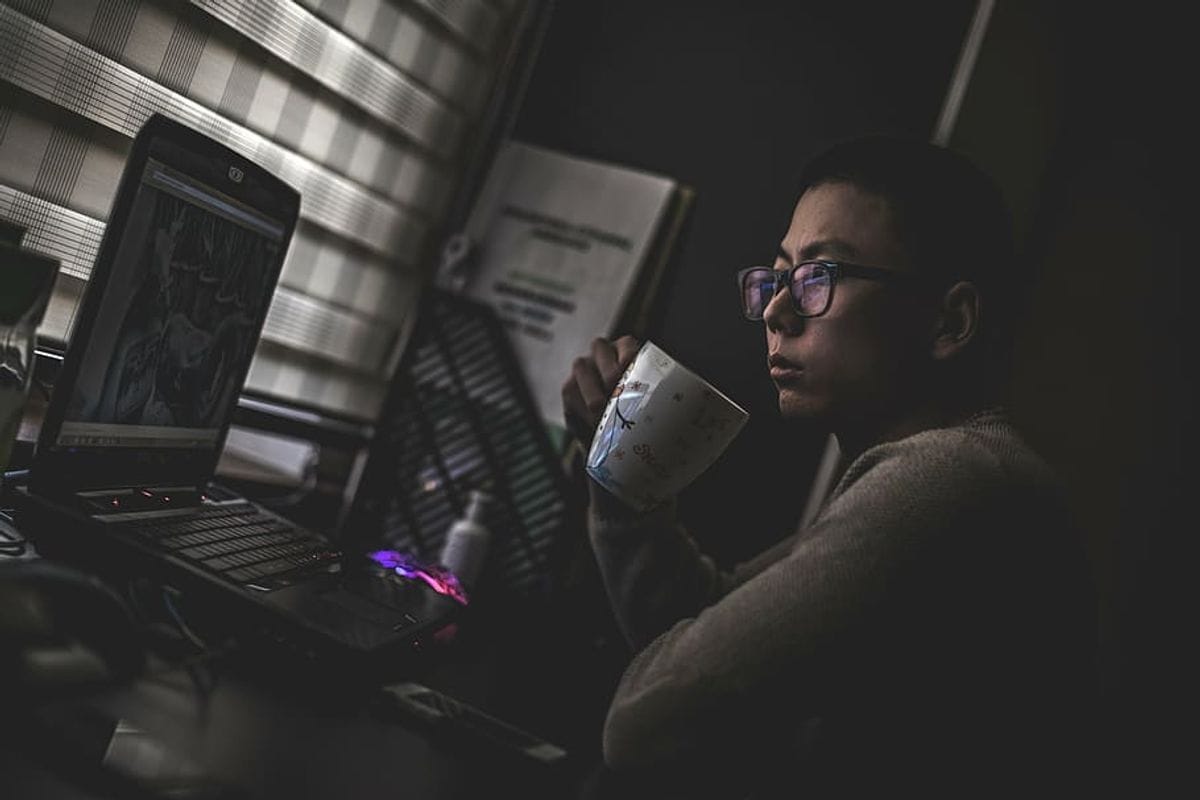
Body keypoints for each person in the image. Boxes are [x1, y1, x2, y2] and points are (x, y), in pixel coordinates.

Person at [561, 136, 1098, 797]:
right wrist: (622, 481)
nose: (776, 311)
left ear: (949, 322)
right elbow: (706, 621)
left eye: (821, 276)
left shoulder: (954, 479)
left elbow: (643, 721)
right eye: (777, 277)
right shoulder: (940, 468)